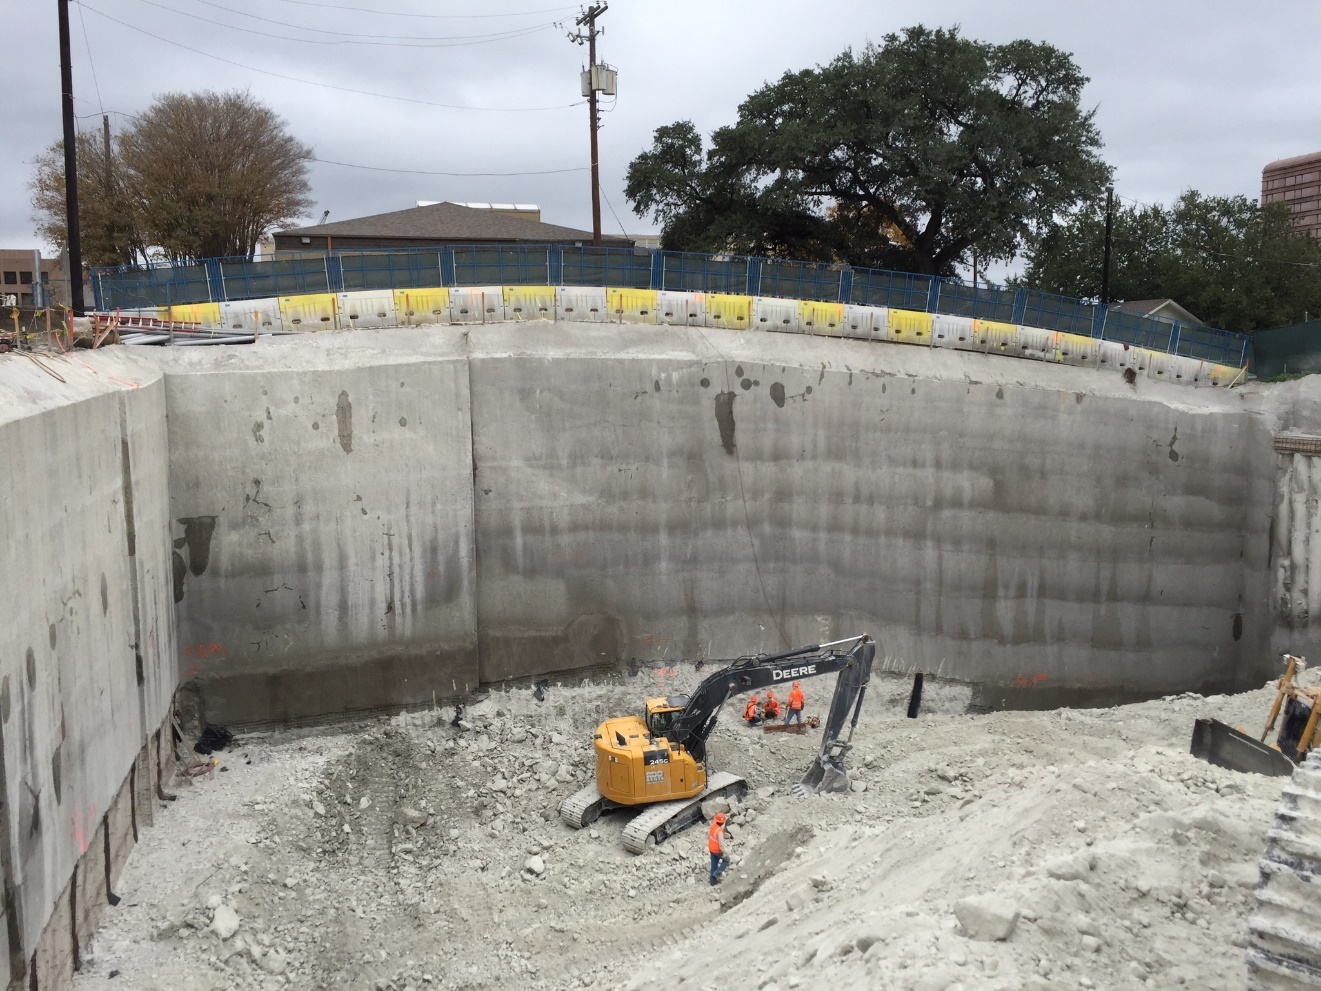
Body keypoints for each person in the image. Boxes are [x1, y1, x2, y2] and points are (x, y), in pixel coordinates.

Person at [707, 812, 730, 885]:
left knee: (714, 864)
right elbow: (721, 844)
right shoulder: (720, 832)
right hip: (717, 850)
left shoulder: (713, 826)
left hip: (711, 848)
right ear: (723, 822)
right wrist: (724, 852)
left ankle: (712, 881)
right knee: (726, 860)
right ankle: (717, 873)